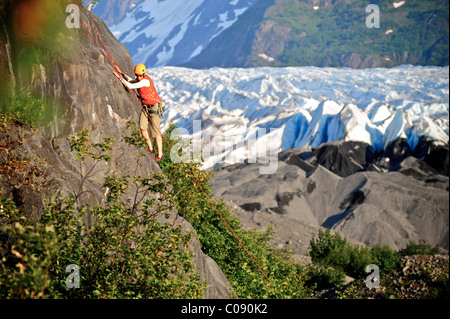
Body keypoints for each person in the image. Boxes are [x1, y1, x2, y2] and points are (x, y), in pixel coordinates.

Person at [113, 63, 164, 162]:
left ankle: (160, 154)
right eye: (137, 75)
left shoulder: (145, 81)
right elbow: (132, 80)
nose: (138, 77)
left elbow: (130, 86)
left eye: (140, 75)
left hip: (154, 107)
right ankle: (150, 147)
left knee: (155, 131)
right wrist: (122, 74)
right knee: (142, 127)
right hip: (146, 107)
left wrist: (119, 78)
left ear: (144, 74)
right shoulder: (140, 79)